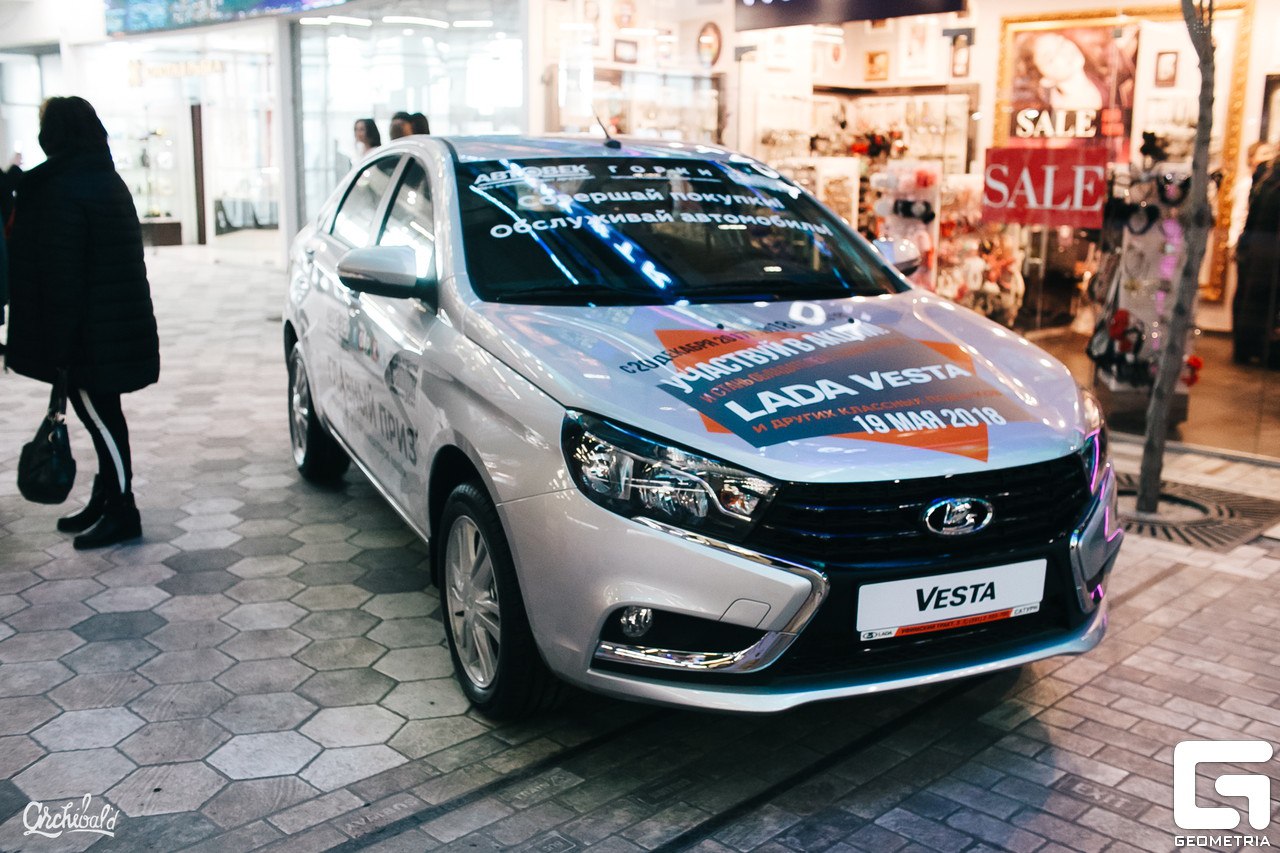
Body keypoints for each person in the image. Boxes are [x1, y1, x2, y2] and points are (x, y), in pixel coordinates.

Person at [6, 96, 160, 549]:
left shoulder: (64, 187)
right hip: (108, 329)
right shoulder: (102, 177)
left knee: (102, 420)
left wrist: (59, 348)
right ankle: (105, 498)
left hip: (90, 336)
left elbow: (62, 277)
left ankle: (123, 510)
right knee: (103, 417)